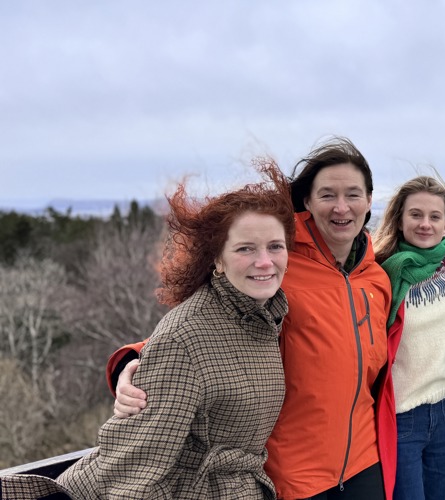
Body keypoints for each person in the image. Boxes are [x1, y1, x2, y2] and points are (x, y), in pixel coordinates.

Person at [107, 137, 396, 499]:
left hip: (365, 465)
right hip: (292, 474)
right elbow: (208, 323)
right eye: (327, 195)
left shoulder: (376, 278)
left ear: (369, 201)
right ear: (306, 201)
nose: (341, 207)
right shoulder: (275, 265)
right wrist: (132, 361)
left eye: (353, 194)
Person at [0, 160, 294, 499]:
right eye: (245, 248)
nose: (264, 261)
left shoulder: (263, 315)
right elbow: (133, 472)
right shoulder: (186, 337)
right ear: (217, 260)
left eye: (275, 246)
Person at [372, 175, 445, 500]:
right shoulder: (380, 273)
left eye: (434, 216)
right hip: (401, 417)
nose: (425, 224)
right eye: (416, 215)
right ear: (399, 219)